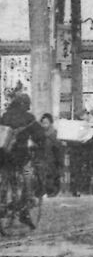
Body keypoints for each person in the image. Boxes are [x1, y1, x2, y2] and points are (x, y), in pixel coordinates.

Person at [0, 92, 47, 226]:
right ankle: (24, 210)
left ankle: (3, 199)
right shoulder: (29, 118)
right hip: (21, 158)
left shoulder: (5, 116)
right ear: (26, 104)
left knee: (5, 176)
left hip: (3, 157)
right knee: (28, 176)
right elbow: (40, 135)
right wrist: (39, 145)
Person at [38, 113, 63, 197]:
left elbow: (58, 148)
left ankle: (52, 191)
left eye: (46, 123)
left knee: (52, 175)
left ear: (51, 123)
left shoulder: (55, 134)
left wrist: (59, 161)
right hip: (42, 159)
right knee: (42, 175)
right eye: (43, 123)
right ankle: (44, 191)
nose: (44, 125)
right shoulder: (39, 134)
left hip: (52, 159)